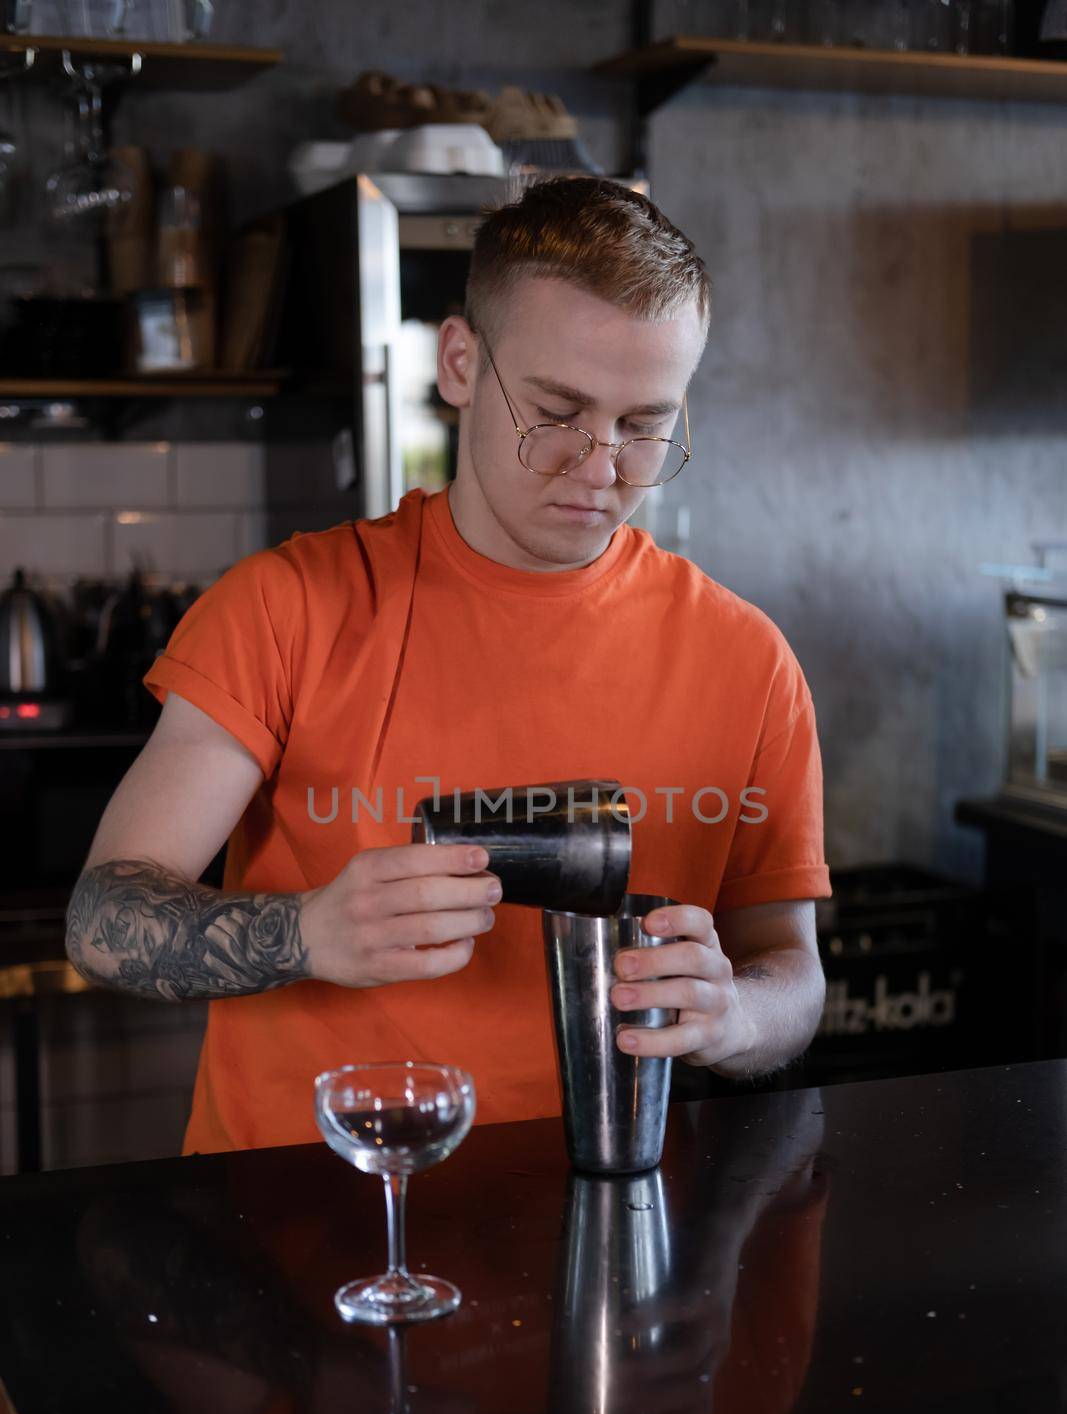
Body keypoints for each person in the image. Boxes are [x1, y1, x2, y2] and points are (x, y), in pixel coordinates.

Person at [64, 175, 832, 1155]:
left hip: (600, 1209)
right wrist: (306, 933)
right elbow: (102, 916)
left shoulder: (745, 659)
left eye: (644, 425)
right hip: (288, 1222)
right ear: (460, 362)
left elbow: (792, 973)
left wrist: (734, 1016)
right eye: (555, 410)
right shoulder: (289, 605)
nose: (599, 468)